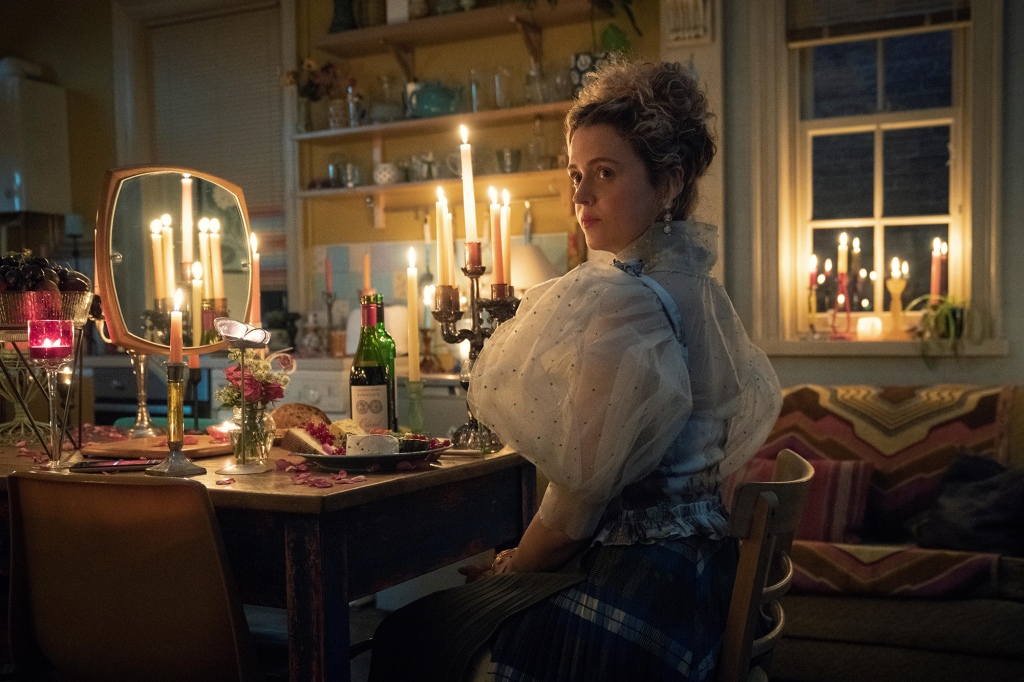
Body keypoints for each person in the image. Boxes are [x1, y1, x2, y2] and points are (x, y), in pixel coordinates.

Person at [368, 59, 782, 682]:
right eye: (576, 174)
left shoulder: (627, 302)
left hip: (641, 596)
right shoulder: (700, 288)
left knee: (408, 633)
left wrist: (514, 565)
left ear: (668, 182)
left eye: (606, 173)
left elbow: (575, 509)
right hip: (701, 582)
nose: (581, 194)